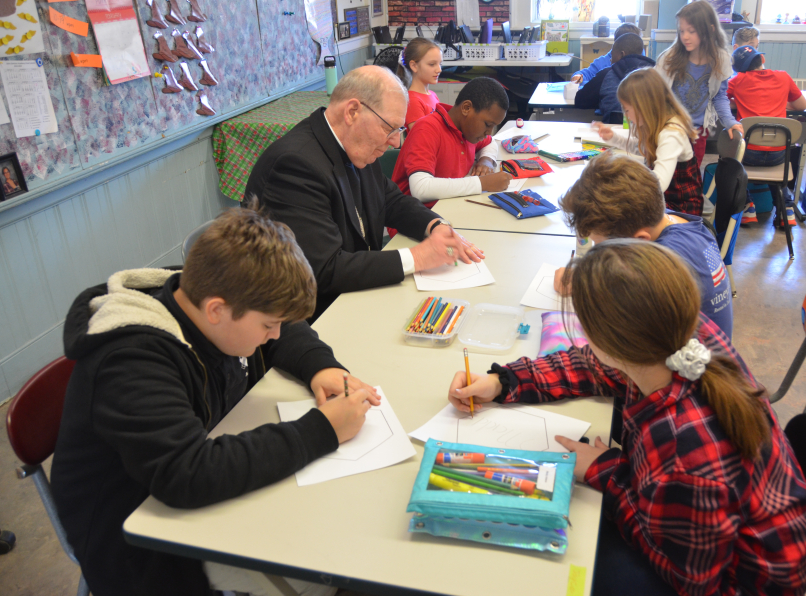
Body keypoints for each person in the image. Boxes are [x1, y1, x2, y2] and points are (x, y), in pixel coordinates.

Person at [447, 240, 806, 596]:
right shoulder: (679, 339)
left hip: (732, 582)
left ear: (608, 344)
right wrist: (502, 381)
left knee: (566, 561)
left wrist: (606, 472)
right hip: (717, 536)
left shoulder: (684, 458)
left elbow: (689, 580)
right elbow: (585, 366)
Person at [51, 206, 381, 596]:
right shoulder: (131, 362)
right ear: (216, 311)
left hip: (193, 493)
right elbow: (188, 473)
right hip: (139, 543)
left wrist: (319, 366)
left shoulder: (205, 289)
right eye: (267, 326)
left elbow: (284, 322)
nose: (276, 335)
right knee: (333, 564)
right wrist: (322, 429)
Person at [244, 65, 484, 321]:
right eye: (389, 128)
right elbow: (325, 270)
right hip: (313, 319)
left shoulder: (353, 143)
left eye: (399, 130)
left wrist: (435, 226)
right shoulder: (294, 165)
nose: (395, 142)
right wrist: (419, 257)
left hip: (352, 299)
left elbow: (390, 200)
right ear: (352, 112)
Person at [555, 151, 733, 337]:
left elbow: (620, 317)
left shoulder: (667, 264)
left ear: (640, 240)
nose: (596, 253)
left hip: (692, 362)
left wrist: (583, 283)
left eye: (600, 247)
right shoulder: (661, 218)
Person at [592, 68, 704, 216]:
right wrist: (613, 137)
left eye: (627, 110)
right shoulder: (657, 125)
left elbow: (658, 183)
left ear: (644, 107)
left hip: (681, 209)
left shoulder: (671, 133)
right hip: (665, 200)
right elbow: (644, 149)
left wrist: (625, 184)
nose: (626, 115)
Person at [391, 76, 511, 201]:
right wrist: (482, 183)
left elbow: (490, 142)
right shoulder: (427, 129)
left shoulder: (469, 131)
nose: (488, 132)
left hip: (448, 205)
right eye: (487, 125)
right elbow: (421, 188)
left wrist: (486, 160)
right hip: (415, 213)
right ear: (466, 108)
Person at [654, 0, 742, 164]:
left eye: (691, 31)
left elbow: (719, 96)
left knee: (691, 177)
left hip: (697, 132)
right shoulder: (669, 58)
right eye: (681, 31)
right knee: (665, 172)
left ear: (710, 30)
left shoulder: (720, 59)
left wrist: (729, 121)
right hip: (669, 128)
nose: (685, 36)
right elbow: (656, 92)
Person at [728, 45, 806, 225]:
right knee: (778, 170)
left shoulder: (738, 80)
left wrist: (740, 102)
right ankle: (785, 209)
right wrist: (780, 104)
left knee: (729, 159)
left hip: (748, 154)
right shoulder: (783, 76)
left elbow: (720, 100)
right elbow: (802, 105)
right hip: (778, 154)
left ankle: (748, 206)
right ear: (762, 60)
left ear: (738, 70)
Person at [594, 33, 655, 124]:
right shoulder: (655, 75)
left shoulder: (607, 74)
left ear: (622, 54)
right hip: (647, 132)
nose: (610, 59)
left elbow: (581, 101)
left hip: (611, 129)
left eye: (612, 54)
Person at [571, 22, 641, 85]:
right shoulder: (603, 62)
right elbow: (586, 74)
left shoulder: (642, 65)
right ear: (616, 44)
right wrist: (578, 76)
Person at [395, 37, 443, 129]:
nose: (439, 70)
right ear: (414, 66)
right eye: (432, 64)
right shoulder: (413, 101)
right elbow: (422, 138)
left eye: (440, 64)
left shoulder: (433, 95)